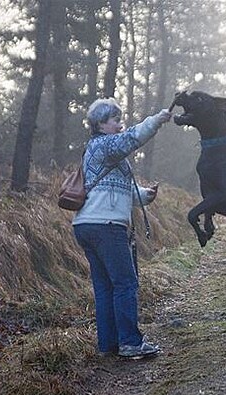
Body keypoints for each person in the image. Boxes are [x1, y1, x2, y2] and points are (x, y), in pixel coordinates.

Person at [73, 98, 171, 358]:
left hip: (87, 224)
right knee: (126, 283)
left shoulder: (96, 149)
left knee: (106, 287)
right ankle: (130, 342)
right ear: (101, 124)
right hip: (106, 227)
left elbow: (115, 189)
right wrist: (156, 120)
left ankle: (109, 345)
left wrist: (145, 195)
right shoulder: (105, 145)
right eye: (115, 119)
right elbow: (132, 139)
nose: (119, 124)